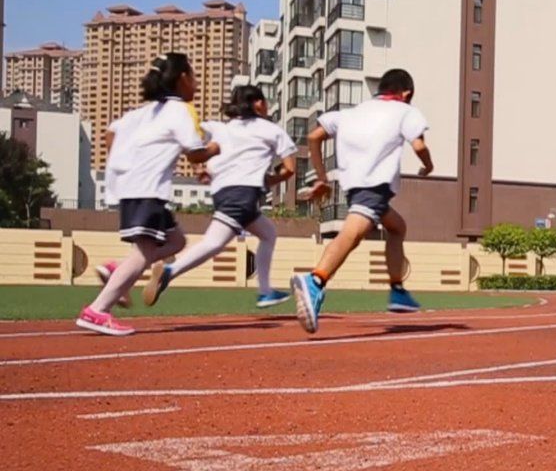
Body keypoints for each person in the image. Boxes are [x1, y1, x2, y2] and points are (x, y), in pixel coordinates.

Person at [78, 53, 221, 336]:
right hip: (147, 189)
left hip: (132, 187)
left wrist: (128, 163)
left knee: (177, 240)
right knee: (143, 254)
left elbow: (110, 135)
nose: (196, 84)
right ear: (182, 79)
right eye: (193, 76)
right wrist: (218, 148)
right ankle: (97, 310)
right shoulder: (181, 110)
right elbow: (194, 154)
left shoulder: (141, 113)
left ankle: (117, 270)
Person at [290, 68, 434, 334]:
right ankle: (316, 280)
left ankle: (397, 291)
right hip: (375, 184)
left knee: (397, 227)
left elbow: (314, 136)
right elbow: (419, 146)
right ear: (406, 94)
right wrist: (428, 166)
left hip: (354, 185)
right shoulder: (405, 111)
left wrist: (322, 178)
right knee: (352, 234)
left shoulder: (351, 112)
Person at [141, 85, 296, 309]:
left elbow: (198, 143)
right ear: (258, 104)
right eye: (265, 100)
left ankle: (265, 291)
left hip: (222, 191)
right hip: (243, 193)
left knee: (268, 233)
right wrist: (269, 180)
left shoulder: (222, 128)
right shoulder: (272, 130)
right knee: (213, 243)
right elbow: (290, 169)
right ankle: (169, 271)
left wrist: (208, 170)